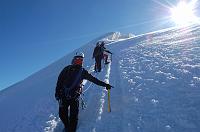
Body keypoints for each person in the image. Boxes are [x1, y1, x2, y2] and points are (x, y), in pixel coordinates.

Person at [55, 52, 113, 132]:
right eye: (77, 59)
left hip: (75, 96)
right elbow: (59, 82)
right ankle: (66, 125)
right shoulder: (66, 69)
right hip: (63, 95)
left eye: (81, 59)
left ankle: (71, 129)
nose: (79, 61)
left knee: (73, 116)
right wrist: (57, 94)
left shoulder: (83, 72)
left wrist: (105, 84)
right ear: (74, 60)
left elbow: (94, 80)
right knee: (62, 114)